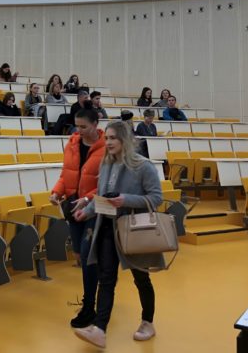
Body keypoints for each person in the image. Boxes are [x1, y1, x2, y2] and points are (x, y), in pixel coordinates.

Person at [73, 121, 163, 348]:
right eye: (107, 138)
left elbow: (156, 198)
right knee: (106, 279)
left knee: (141, 278)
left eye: (113, 138)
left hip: (133, 231)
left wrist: (126, 200)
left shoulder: (143, 166)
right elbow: (102, 196)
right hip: (107, 229)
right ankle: (99, 329)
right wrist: (87, 211)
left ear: (125, 139)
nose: (108, 142)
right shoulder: (106, 164)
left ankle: (147, 322)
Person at [49, 108, 105, 329]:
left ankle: (89, 306)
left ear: (95, 124)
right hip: (73, 206)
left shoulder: (107, 147)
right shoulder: (72, 144)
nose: (79, 130)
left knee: (89, 255)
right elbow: (66, 174)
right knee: (81, 256)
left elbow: (107, 183)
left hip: (94, 208)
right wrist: (57, 192)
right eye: (77, 126)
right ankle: (96, 295)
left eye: (84, 126)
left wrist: (88, 198)